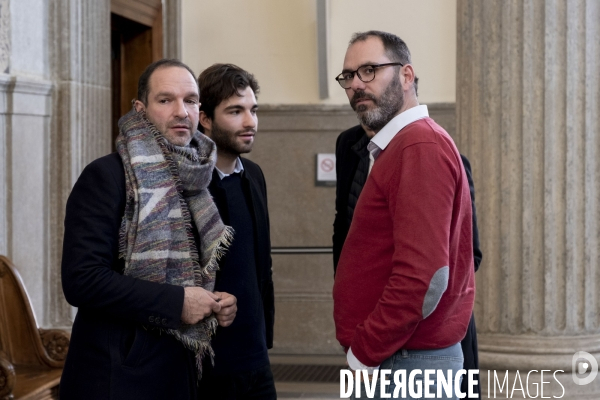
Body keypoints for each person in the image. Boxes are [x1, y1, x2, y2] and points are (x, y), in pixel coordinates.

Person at [60, 59, 237, 400]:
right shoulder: (107, 176)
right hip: (118, 372)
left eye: (190, 100)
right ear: (141, 109)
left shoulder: (200, 181)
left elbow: (196, 273)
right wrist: (177, 303)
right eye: (165, 100)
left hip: (181, 367)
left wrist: (218, 301)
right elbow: (81, 280)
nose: (181, 111)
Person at [332, 31, 475, 399]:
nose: (356, 86)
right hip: (400, 357)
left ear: (406, 76)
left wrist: (364, 352)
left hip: (406, 362)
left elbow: (425, 277)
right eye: (348, 76)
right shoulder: (402, 144)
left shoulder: (419, 146)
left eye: (369, 70)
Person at [196, 63, 276, 399]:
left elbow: (261, 265)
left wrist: (264, 337)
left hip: (256, 357)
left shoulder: (254, 175)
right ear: (205, 119)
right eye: (235, 111)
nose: (250, 122)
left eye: (252, 110)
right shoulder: (188, 183)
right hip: (206, 363)